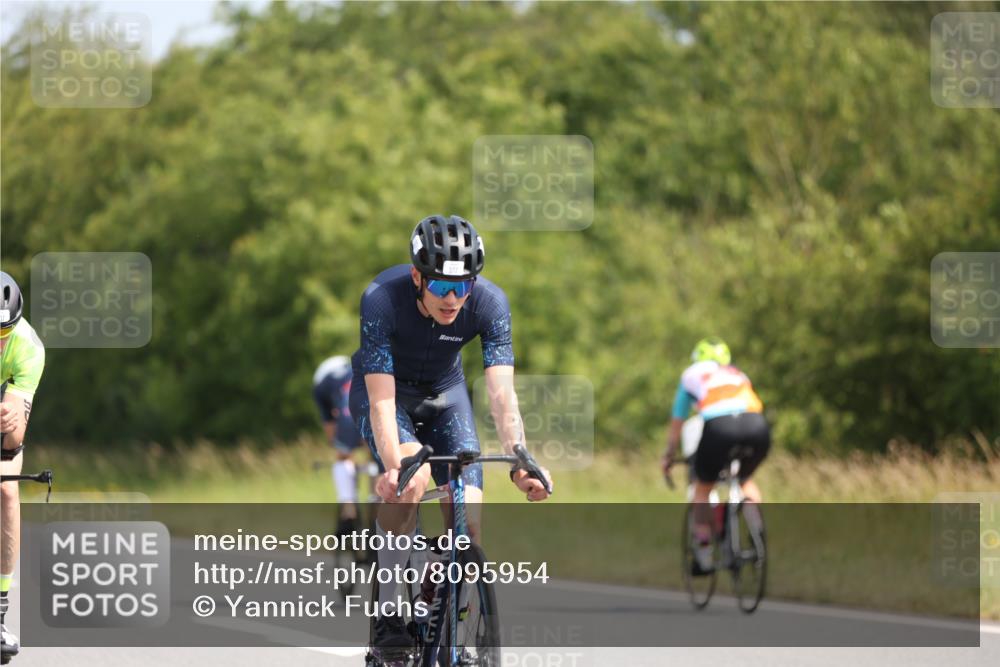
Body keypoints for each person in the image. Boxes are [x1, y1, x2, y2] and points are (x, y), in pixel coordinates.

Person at [349, 214, 552, 652]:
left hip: (446, 397)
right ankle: (387, 612)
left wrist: (520, 458)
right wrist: (395, 468)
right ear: (417, 277)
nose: (453, 299)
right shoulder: (381, 299)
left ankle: (439, 608)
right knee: (411, 483)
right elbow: (382, 401)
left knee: (468, 526)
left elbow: (501, 394)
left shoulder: (491, 303)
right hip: (388, 395)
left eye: (463, 287)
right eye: (442, 286)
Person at [662, 337, 770, 573]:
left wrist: (669, 455)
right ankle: (758, 534)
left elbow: (677, 421)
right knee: (745, 481)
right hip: (757, 425)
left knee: (702, 488)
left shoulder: (691, 375)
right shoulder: (737, 373)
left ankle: (704, 553)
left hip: (720, 426)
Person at [0, 272, 45, 663]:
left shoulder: (28, 346)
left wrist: (9, 420)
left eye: (4, 333)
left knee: (6, 488)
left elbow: (13, 439)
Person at [312, 355, 367, 530]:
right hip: (370, 406)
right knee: (378, 460)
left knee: (342, 457)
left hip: (347, 415)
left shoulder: (320, 387)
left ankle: (349, 510)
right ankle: (379, 506)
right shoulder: (354, 367)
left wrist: (345, 448)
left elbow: (331, 433)